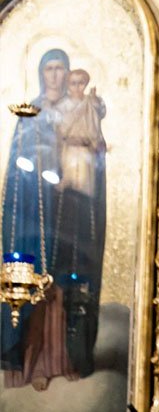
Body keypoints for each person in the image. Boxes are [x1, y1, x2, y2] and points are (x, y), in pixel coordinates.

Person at [1, 49, 76, 390]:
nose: (55, 75)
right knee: (35, 280)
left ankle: (53, 361)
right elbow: (20, 167)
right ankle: (25, 365)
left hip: (67, 210)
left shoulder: (78, 111)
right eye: (49, 68)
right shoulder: (30, 112)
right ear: (41, 73)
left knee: (60, 283)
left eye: (61, 68)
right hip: (34, 211)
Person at [52, 68, 108, 378]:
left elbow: (97, 127)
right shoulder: (61, 109)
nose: (76, 88)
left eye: (80, 83)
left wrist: (95, 105)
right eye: (72, 83)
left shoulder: (89, 105)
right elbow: (58, 134)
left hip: (86, 177)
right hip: (67, 173)